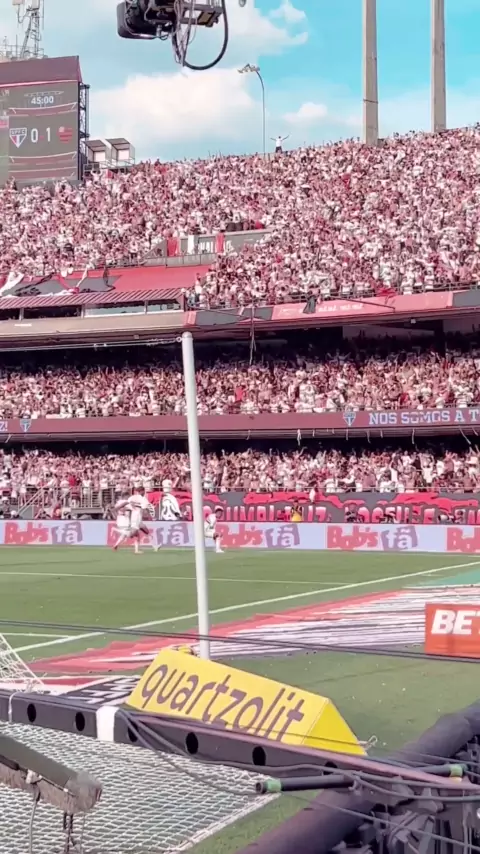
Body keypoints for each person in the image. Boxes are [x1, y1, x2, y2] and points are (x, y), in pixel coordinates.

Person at [127, 487, 156, 554]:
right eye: (143, 491)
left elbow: (127, 504)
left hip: (136, 518)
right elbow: (145, 508)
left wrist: (132, 505)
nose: (144, 492)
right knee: (133, 534)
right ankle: (125, 534)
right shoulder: (143, 499)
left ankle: (154, 546)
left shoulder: (132, 497)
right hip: (137, 518)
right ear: (141, 491)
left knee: (146, 532)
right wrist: (150, 512)